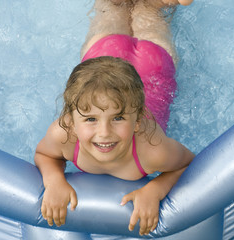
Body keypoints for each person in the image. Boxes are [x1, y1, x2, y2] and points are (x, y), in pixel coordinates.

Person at [34, 0, 194, 236]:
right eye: (89, 119)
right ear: (71, 120)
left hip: (152, 61)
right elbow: (44, 155)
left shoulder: (151, 148)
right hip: (110, 58)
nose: (104, 132)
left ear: (138, 121)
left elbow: (188, 163)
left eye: (118, 118)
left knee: (132, 8)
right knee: (118, 4)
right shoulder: (64, 133)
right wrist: (54, 179)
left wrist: (155, 190)